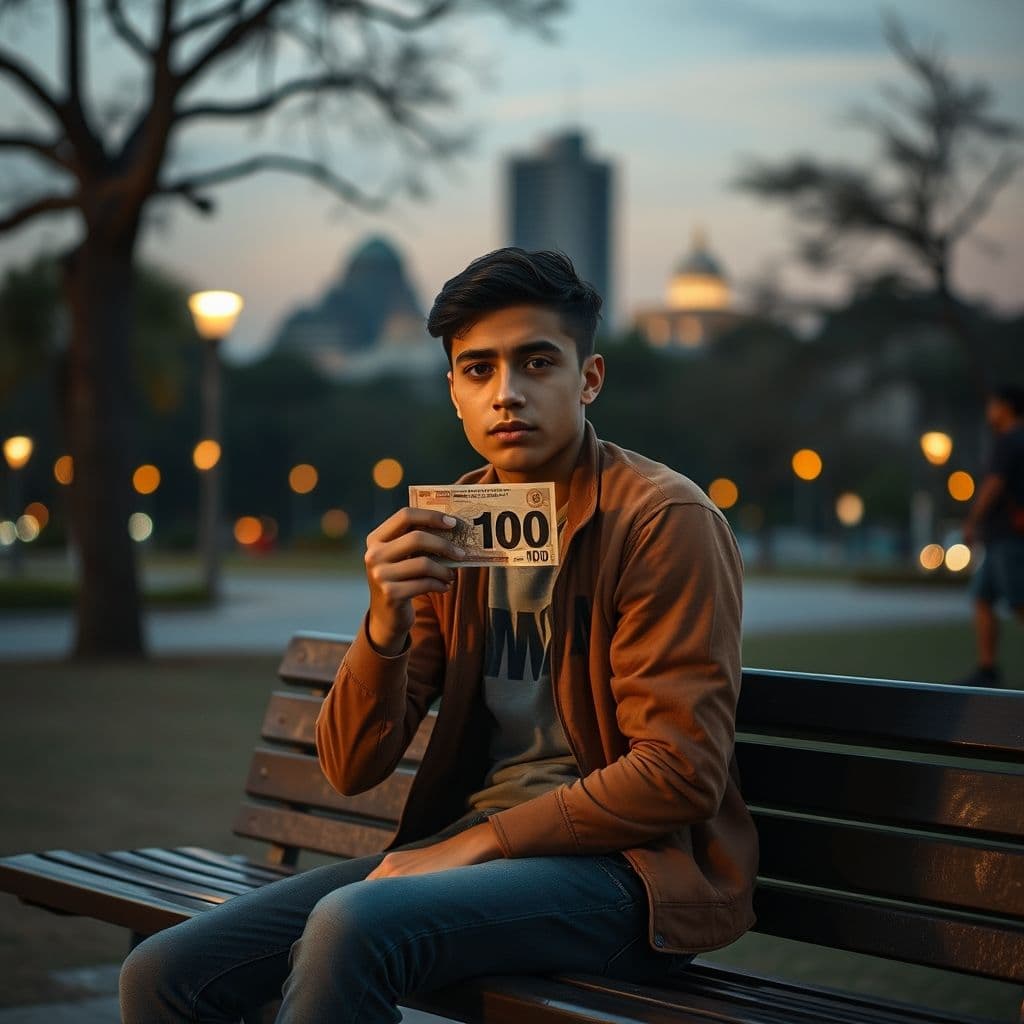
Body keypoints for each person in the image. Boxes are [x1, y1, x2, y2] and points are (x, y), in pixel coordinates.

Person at [119, 248, 758, 1023]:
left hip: (630, 879)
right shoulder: (459, 522)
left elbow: (677, 773)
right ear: (453, 390)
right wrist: (385, 619)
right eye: (478, 370)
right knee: (162, 972)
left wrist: (476, 845)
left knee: (352, 924)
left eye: (536, 363)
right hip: (473, 857)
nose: (508, 394)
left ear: (588, 379)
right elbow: (350, 767)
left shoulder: (661, 520)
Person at [957, 385, 1024, 687]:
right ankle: (987, 669)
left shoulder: (1009, 441)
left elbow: (993, 486)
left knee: (1019, 601)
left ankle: (988, 669)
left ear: (1006, 407)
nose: (989, 412)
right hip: (1004, 537)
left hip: (1010, 536)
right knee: (982, 596)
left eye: (993, 405)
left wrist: (972, 521)